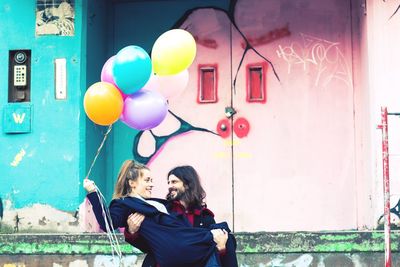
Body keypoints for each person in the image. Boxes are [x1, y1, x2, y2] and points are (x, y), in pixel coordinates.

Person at [84, 160, 237, 267]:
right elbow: (107, 223)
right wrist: (93, 192)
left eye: (174, 182)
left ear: (188, 185)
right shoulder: (125, 204)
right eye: (148, 180)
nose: (152, 184)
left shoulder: (159, 204)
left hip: (186, 247)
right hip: (171, 253)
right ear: (132, 183)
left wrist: (220, 246)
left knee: (224, 236)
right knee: (219, 235)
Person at [124, 165, 234, 267]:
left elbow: (211, 255)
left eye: (174, 182)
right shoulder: (162, 211)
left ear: (187, 185)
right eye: (169, 182)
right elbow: (148, 246)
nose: (170, 186)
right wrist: (132, 232)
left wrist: (222, 248)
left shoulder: (205, 218)